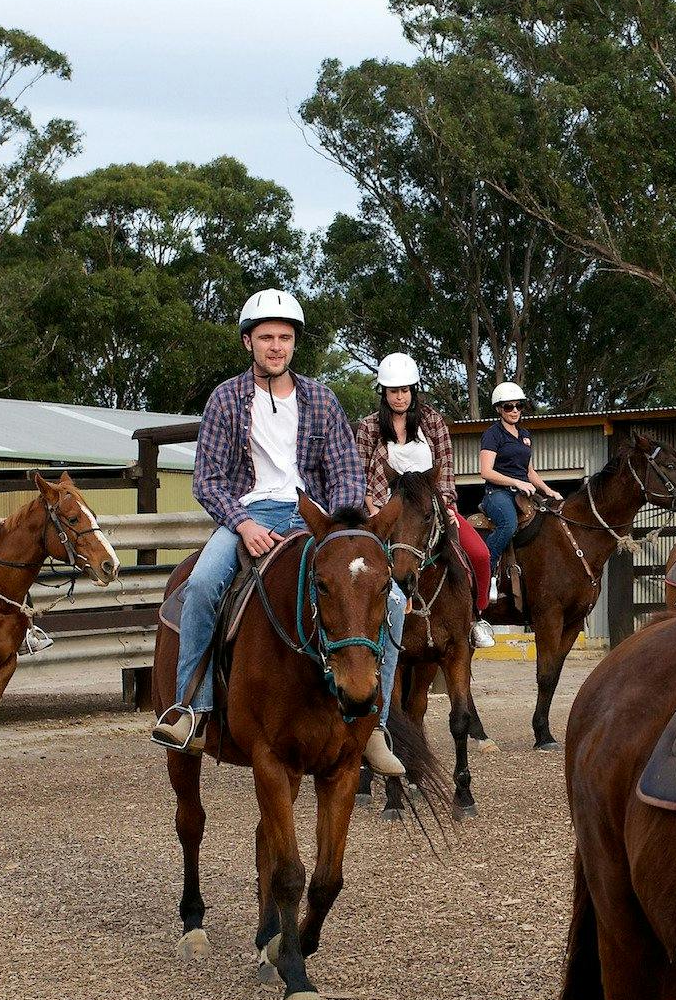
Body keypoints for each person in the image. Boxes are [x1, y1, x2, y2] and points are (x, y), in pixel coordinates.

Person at [151, 290, 406, 776]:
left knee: (391, 599)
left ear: (294, 344)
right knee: (202, 585)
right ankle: (193, 710)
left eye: (284, 337)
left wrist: (341, 526)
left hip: (313, 519)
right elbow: (207, 479)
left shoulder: (322, 400)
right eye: (266, 337)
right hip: (248, 513)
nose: (276, 346)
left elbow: (347, 472)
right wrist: (242, 524)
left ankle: (375, 726)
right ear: (248, 342)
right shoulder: (225, 399)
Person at [354, 352, 496, 651]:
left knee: (479, 554)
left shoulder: (433, 421)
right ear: (384, 392)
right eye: (394, 391)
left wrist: (445, 505)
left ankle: (477, 617)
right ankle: (363, 628)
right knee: (361, 568)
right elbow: (361, 472)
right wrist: (373, 509)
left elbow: (445, 467)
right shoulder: (368, 428)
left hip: (432, 509)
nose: (400, 397)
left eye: (405, 390)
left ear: (413, 390)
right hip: (384, 510)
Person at [476, 381, 562, 583]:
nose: (515, 411)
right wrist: (516, 482)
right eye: (508, 406)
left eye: (519, 406)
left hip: (523, 493)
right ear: (499, 408)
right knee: (508, 524)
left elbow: (529, 470)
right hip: (497, 493)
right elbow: (486, 472)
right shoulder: (492, 434)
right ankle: (485, 571)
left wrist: (549, 491)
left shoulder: (525, 435)